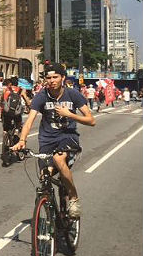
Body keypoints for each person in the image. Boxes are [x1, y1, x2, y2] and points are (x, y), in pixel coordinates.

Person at [12, 64, 96, 218]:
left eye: (55, 77)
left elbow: (91, 120)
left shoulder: (72, 94)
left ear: (63, 78)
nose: (51, 80)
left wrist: (69, 114)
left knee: (59, 158)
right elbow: (29, 121)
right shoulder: (41, 96)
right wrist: (22, 140)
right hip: (46, 141)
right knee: (45, 177)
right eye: (48, 78)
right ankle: (50, 215)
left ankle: (73, 198)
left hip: (68, 137)